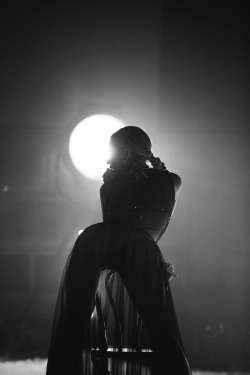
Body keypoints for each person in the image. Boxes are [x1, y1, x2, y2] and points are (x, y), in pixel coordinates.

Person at [46, 126, 192, 375]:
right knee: (160, 326)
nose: (107, 159)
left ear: (125, 151)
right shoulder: (173, 181)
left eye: (111, 151)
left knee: (75, 318)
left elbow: (114, 228)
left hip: (99, 244)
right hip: (140, 250)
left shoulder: (108, 187)